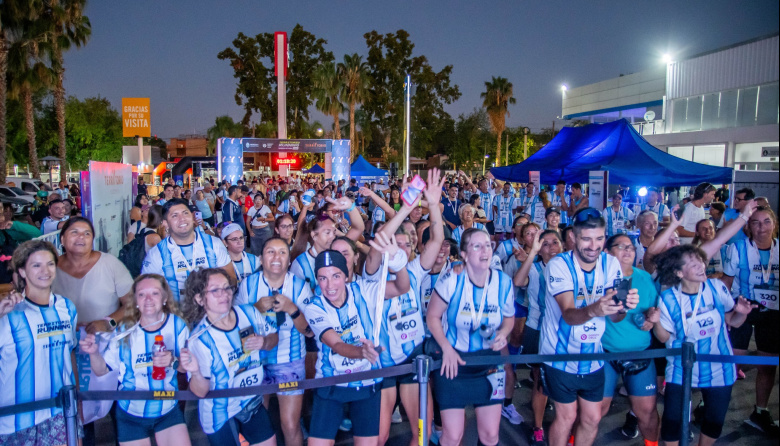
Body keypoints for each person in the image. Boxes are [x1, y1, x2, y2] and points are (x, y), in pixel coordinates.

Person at [540, 208, 638, 446]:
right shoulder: (558, 264)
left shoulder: (612, 263)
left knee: (593, 418)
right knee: (566, 416)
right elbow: (569, 315)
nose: (594, 246)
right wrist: (595, 309)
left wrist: (623, 307)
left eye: (599, 238)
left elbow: (616, 318)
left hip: (593, 356)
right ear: (573, 237)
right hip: (559, 356)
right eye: (586, 239)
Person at [652, 245, 755, 446]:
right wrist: (656, 321)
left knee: (714, 420)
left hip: (719, 366)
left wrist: (742, 313)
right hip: (681, 366)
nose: (701, 266)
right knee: (672, 421)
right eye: (693, 264)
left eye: (700, 261)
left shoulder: (716, 287)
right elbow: (664, 338)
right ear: (679, 272)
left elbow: (732, 321)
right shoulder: (668, 298)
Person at [425, 228, 514, 446]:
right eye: (477, 246)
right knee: (452, 436)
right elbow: (432, 317)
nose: (485, 251)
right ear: (464, 254)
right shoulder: (452, 280)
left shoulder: (503, 282)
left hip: (488, 362)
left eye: (488, 245)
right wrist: (446, 349)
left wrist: (503, 333)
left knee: (491, 435)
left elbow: (509, 318)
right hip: (453, 362)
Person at [79, 274, 192, 446]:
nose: (148, 299)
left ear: (164, 298)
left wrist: (173, 361)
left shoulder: (178, 326)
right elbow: (102, 371)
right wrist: (94, 353)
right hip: (131, 414)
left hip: (168, 409)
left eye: (154, 293)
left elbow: (187, 369)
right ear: (136, 301)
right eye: (142, 294)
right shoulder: (124, 331)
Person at [303, 250, 401, 446]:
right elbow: (336, 344)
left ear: (346, 276)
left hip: (366, 380)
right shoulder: (314, 307)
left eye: (336, 276)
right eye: (322, 278)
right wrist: (361, 352)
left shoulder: (362, 290)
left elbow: (401, 287)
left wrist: (400, 262)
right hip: (331, 381)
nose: (329, 285)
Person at [181, 267, 278, 446]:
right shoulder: (199, 340)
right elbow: (201, 392)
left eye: (227, 288)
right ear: (200, 299)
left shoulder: (249, 313)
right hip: (220, 413)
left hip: (251, 400)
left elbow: (274, 338)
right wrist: (195, 372)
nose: (224, 294)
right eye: (215, 290)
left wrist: (264, 342)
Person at [235, 237, 313, 446]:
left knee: (290, 424)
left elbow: (309, 332)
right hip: (255, 362)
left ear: (289, 259)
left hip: (290, 360)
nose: (276, 257)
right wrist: (256, 308)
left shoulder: (300, 287)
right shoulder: (248, 285)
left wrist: (291, 309)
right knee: (256, 425)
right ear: (261, 258)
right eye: (270, 251)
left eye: (282, 252)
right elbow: (235, 326)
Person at [0, 241, 77, 445]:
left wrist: (76, 408)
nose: (45, 271)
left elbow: (69, 356)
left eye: (50, 264)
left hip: (59, 414)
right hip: (13, 420)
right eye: (36, 265)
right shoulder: (8, 313)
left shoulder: (67, 308)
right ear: (22, 271)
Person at [722, 205, 780, 436]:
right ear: (748, 226)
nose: (761, 227)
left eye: (766, 221)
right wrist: (726, 315)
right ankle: (709, 404)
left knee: (768, 366)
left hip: (773, 312)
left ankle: (760, 411)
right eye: (755, 222)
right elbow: (726, 283)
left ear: (774, 224)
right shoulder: (737, 248)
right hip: (743, 308)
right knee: (732, 363)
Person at [600, 234, 661, 444]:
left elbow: (653, 309)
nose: (628, 250)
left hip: (639, 353)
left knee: (647, 412)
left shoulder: (645, 278)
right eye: (621, 246)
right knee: (594, 411)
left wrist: (651, 319)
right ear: (607, 252)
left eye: (631, 247)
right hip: (604, 353)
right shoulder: (597, 278)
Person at [512, 229, 563, 445]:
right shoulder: (533, 269)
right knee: (540, 379)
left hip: (564, 331)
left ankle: (564, 422)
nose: (551, 247)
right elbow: (518, 281)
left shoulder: (571, 268)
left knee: (561, 378)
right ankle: (538, 427)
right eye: (545, 244)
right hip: (537, 329)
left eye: (555, 242)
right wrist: (531, 254)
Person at [141, 198, 234, 303]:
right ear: (165, 223)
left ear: (192, 217)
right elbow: (145, 291)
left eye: (185, 213)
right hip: (175, 310)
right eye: (175, 215)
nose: (182, 219)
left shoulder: (214, 244)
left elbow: (231, 278)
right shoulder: (156, 254)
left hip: (211, 309)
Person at [247, 192, 274, 257]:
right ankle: (256, 261)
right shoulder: (251, 209)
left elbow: (272, 218)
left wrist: (264, 219)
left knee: (266, 247)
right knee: (255, 248)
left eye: (260, 199)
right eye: (256, 199)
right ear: (254, 201)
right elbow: (247, 221)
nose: (258, 201)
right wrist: (250, 231)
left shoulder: (265, 208)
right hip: (255, 231)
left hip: (265, 230)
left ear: (262, 201)